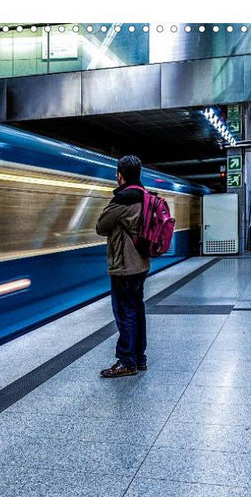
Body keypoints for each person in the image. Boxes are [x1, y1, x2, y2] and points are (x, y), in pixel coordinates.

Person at [95, 155, 150, 378]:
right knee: (137, 310)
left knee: (124, 313)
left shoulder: (123, 200)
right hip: (141, 263)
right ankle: (139, 357)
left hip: (124, 265)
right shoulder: (145, 196)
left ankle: (127, 360)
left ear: (120, 175)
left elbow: (101, 226)